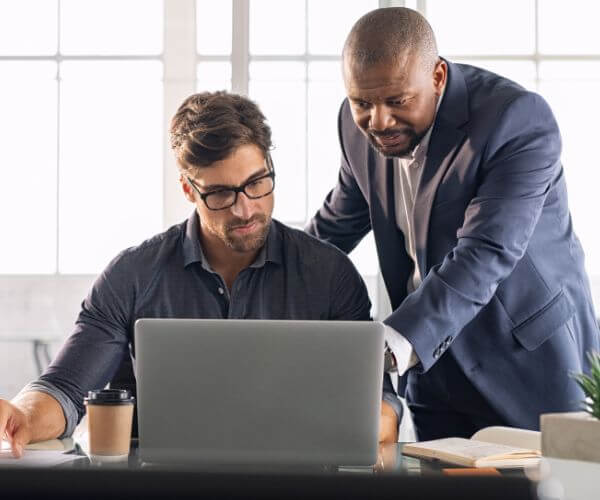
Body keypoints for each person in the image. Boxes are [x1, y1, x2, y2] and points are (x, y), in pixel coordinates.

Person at [0, 91, 402, 458]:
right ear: (189, 189)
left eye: (257, 184)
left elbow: (380, 404)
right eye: (221, 193)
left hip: (298, 481)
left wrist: (376, 418)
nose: (244, 210)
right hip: (165, 484)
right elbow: (65, 389)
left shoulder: (330, 274)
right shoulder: (133, 275)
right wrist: (22, 415)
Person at [306, 7, 600, 440]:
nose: (379, 121)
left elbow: (486, 251)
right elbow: (331, 232)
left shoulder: (516, 120)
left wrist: (389, 346)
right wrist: (264, 278)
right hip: (432, 368)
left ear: (438, 77)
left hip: (527, 362)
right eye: (362, 103)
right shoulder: (355, 130)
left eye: (397, 101)